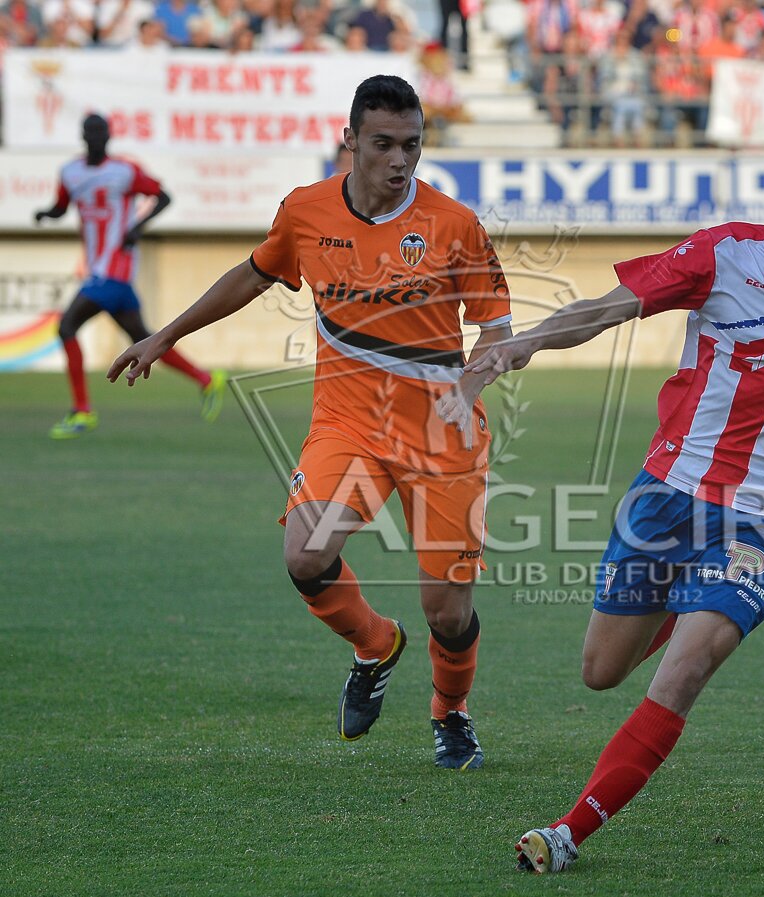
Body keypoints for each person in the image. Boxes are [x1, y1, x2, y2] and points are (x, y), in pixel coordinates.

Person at [442, 129, 764, 873]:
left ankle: (566, 834)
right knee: (601, 669)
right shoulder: (723, 256)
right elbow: (609, 307)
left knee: (685, 669)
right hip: (669, 496)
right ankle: (690, 597)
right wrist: (523, 344)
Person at [108, 76, 513, 768]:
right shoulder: (306, 211)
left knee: (447, 610)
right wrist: (164, 336)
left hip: (443, 438)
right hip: (349, 427)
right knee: (305, 554)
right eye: (383, 143)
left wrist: (468, 383)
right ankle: (374, 645)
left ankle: (451, 712)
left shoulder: (453, 224)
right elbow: (254, 273)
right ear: (350, 139)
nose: (399, 160)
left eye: (412, 145)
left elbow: (498, 330)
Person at [34, 114, 225, 439]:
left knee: (67, 326)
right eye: (91, 133)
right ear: (84, 136)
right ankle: (206, 380)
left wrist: (136, 228)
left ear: (108, 137)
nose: (96, 138)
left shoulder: (123, 172)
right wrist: (46, 214)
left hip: (112, 272)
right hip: (107, 276)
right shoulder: (70, 172)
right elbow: (61, 206)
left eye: (101, 133)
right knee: (146, 339)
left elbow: (163, 197)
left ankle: (82, 411)